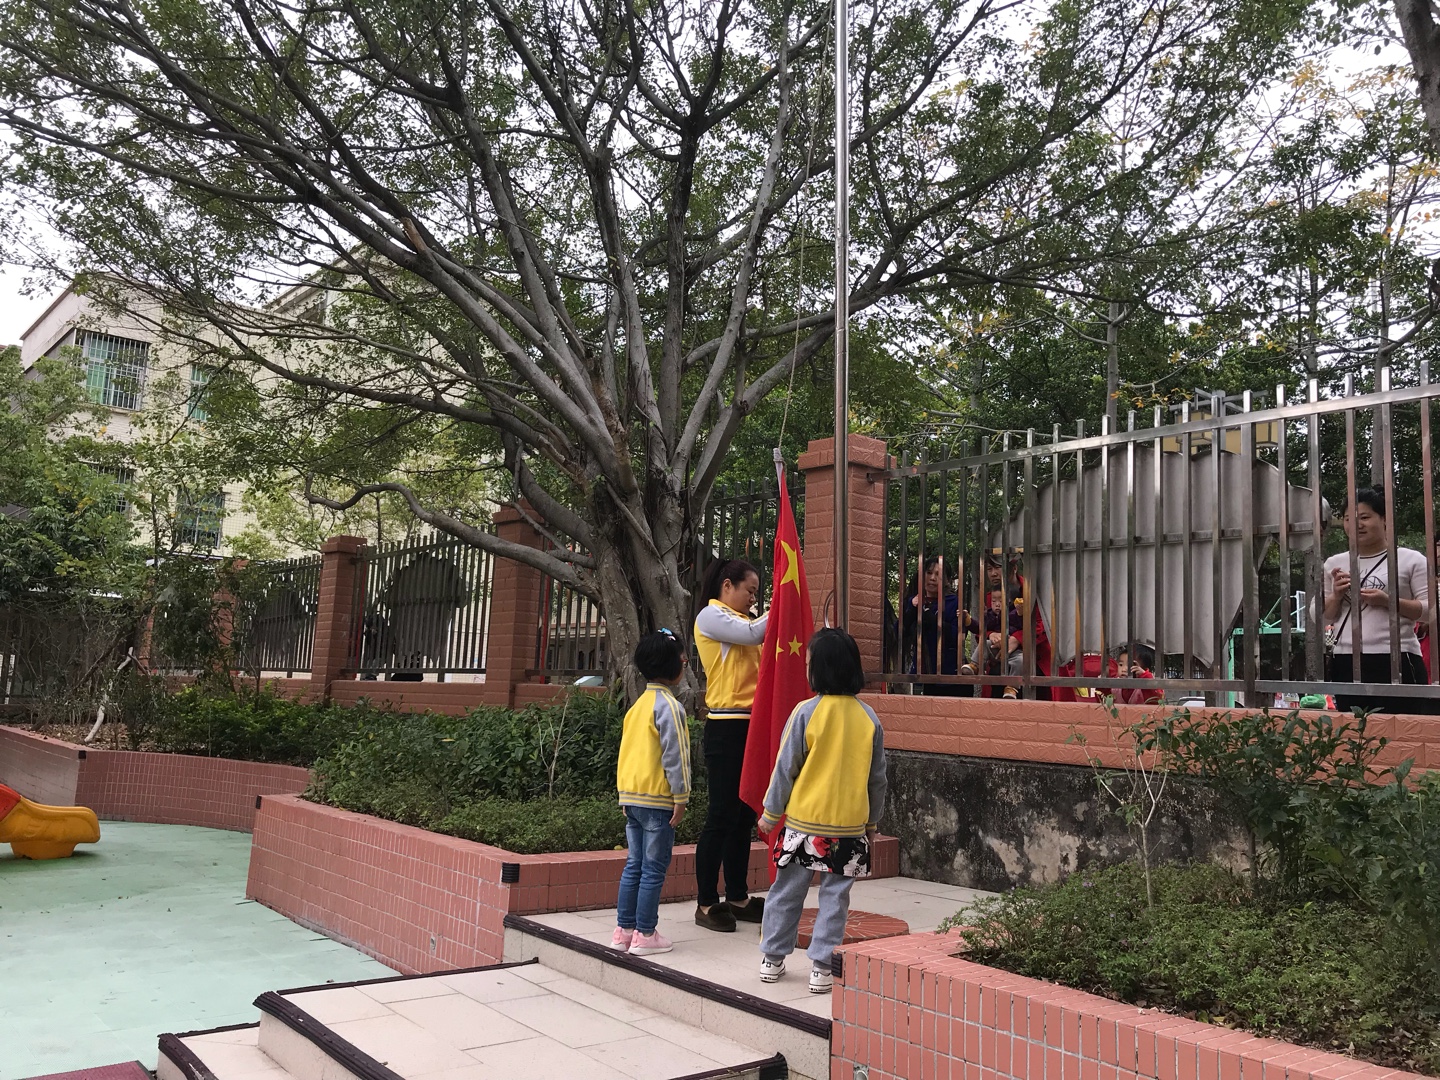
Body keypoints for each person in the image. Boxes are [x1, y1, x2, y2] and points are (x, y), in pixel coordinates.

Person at [756, 628, 887, 995]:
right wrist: (872, 822)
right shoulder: (869, 718)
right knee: (835, 898)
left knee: (786, 892)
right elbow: (877, 779)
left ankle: (772, 958)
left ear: (820, 669)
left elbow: (786, 767)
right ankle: (822, 967)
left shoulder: (805, 712)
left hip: (803, 826)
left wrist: (770, 812)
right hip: (849, 828)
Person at [692, 558, 769, 932]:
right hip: (724, 727)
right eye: (749, 590)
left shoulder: (743, 621)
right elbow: (755, 633)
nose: (753, 598)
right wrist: (785, 602)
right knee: (721, 815)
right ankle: (706, 902)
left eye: (756, 593)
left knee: (743, 816)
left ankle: (737, 896)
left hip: (750, 727)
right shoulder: (712, 616)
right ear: (727, 586)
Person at [612, 629, 691, 956]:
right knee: (653, 869)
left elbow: (626, 753)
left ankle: (623, 931)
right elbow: (676, 757)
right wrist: (681, 797)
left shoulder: (637, 707)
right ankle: (645, 934)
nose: (685, 663)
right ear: (673, 666)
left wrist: (624, 794)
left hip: (632, 799)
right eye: (683, 659)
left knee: (634, 865)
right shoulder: (670, 707)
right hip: (659, 802)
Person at [1321, 488, 1434, 715]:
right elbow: (1321, 616)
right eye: (1348, 519)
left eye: (1364, 517)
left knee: (1403, 728)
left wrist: (1388, 602)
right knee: (1355, 731)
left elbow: (1430, 611)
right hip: (1346, 659)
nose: (1356, 525)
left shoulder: (1410, 560)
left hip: (1398, 658)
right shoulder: (1334, 563)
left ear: (1384, 519)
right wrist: (1336, 596)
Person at [985, 553, 1052, 699]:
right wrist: (991, 634)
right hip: (1000, 661)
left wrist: (1017, 639)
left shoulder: (1033, 590)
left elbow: (1045, 624)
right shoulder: (991, 597)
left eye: (998, 567)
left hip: (1036, 659)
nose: (993, 573)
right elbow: (984, 627)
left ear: (1014, 568)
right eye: (989, 569)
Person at [900, 555, 969, 696]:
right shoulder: (914, 601)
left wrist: (935, 622)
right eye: (929, 572)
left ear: (947, 580)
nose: (932, 578)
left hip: (950, 676)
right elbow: (899, 634)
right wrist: (911, 610)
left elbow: (959, 636)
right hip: (923, 674)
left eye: (938, 574)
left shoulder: (954, 602)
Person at [961, 586, 1023, 698]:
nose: (997, 604)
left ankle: (1012, 687)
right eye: (994, 601)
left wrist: (1020, 612)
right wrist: (968, 621)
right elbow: (980, 629)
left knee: (1020, 660)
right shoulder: (990, 615)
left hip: (1013, 650)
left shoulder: (1013, 613)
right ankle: (975, 665)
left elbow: (1022, 625)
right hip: (995, 648)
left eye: (1001, 601)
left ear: (1009, 601)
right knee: (985, 643)